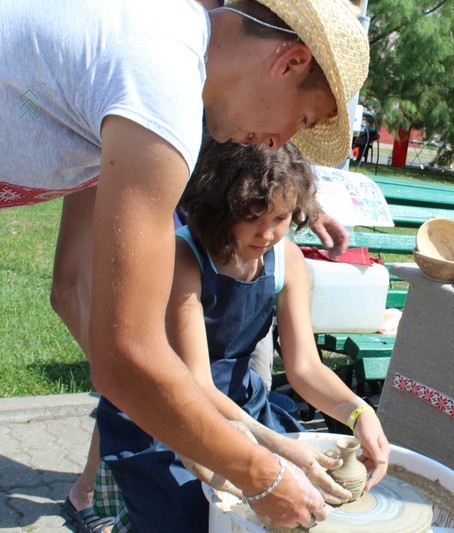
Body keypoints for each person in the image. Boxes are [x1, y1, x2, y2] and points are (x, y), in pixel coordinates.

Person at [0, 0, 367, 529]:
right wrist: (259, 472)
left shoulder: (155, 42)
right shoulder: (162, 82)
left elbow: (73, 288)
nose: (276, 145)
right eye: (301, 120)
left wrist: (173, 412)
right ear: (290, 61)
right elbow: (126, 355)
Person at [95, 139, 389, 531]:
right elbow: (196, 384)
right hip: (171, 408)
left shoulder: (288, 258)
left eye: (281, 218)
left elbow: (304, 368)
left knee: (310, 501)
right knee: (194, 514)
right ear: (221, 207)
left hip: (241, 404)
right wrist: (275, 450)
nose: (268, 234)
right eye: (254, 217)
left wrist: (359, 412)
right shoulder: (184, 257)